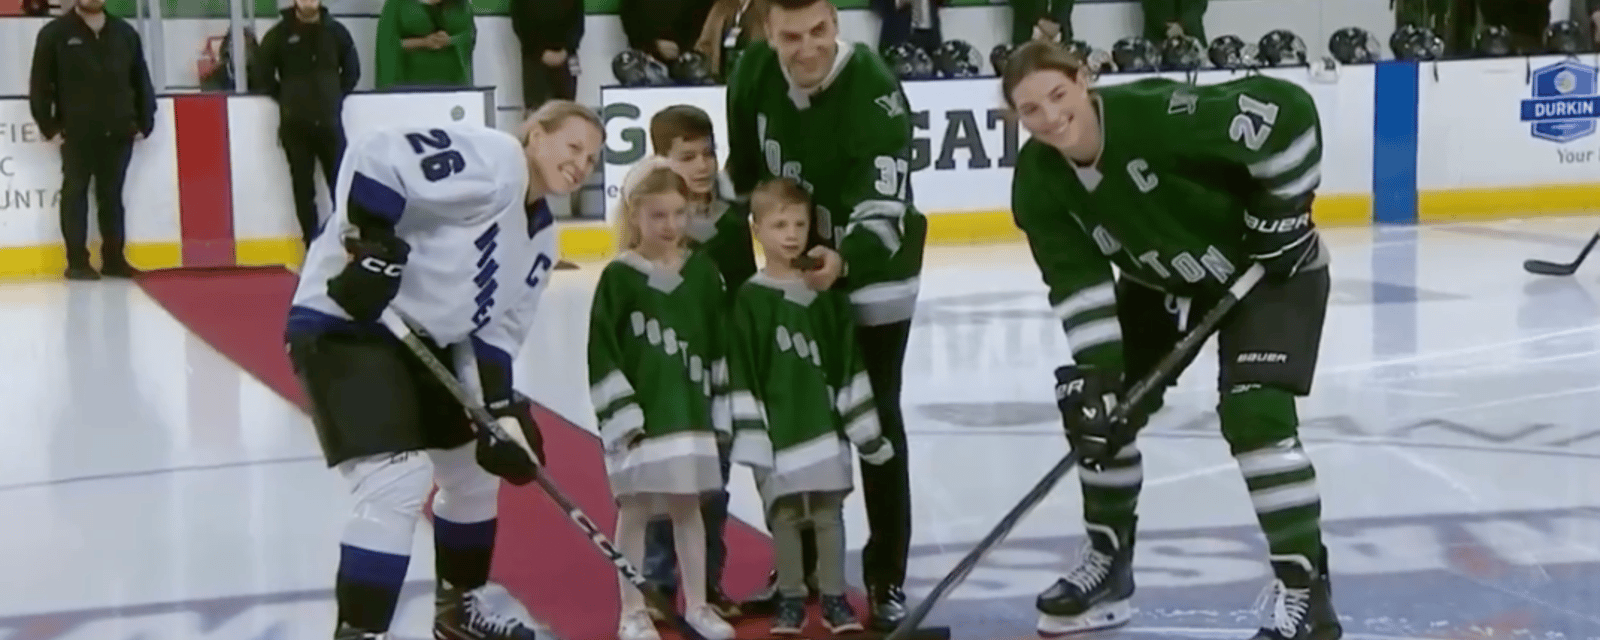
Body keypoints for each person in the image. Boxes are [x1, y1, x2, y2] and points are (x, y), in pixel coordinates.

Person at [999, 40, 1338, 640]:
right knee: (1101, 415)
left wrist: (1284, 212)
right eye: (1031, 110)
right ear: (1014, 117)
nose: (1050, 117)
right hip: (1163, 281)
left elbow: (1287, 112)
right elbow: (1078, 285)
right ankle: (1109, 565)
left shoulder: (1161, 115)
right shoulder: (1038, 182)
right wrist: (1099, 376)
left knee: (1255, 415)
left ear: (1084, 80)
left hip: (1269, 271)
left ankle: (1306, 593)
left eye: (1058, 95)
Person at [283, 99, 604, 640]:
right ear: (535, 135)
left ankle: (459, 612)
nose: (581, 164)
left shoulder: (543, 240)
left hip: (426, 343)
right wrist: (371, 242)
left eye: (592, 160)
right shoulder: (497, 160)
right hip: (346, 325)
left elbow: (495, 337)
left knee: (474, 475)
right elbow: (379, 155)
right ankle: (360, 633)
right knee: (396, 479)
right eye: (573, 146)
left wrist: (500, 413)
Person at [723, 0, 927, 628]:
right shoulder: (752, 73)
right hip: (792, 272)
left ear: (835, 24)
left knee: (876, 422)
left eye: (819, 31)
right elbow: (746, 183)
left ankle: (886, 577)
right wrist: (740, 281)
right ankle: (800, 570)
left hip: (872, 273)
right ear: (767, 33)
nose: (807, 48)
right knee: (794, 419)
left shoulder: (875, 90)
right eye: (791, 36)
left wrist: (842, 261)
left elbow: (883, 208)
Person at [726, 178, 894, 636]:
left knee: (828, 515)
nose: (791, 233)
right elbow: (743, 372)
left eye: (799, 223)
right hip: (778, 431)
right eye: (779, 224)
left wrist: (864, 432)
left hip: (825, 429)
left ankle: (835, 596)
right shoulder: (749, 300)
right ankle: (792, 597)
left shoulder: (829, 299)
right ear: (757, 229)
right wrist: (752, 434)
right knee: (783, 516)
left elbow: (848, 368)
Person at [587, 163, 738, 640]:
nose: (671, 225)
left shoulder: (703, 272)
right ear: (635, 215)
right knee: (634, 510)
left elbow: (719, 343)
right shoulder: (619, 278)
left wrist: (722, 408)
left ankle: (698, 604)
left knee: (687, 507)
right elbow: (602, 352)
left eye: (679, 213)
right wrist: (623, 414)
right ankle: (633, 609)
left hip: (690, 413)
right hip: (643, 417)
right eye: (658, 216)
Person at [637, 105, 753, 622]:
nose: (704, 165)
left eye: (708, 153)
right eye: (688, 157)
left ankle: (707, 584)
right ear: (661, 159)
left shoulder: (729, 218)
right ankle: (659, 585)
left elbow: (745, 286)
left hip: (722, 369)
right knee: (667, 484)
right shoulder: (655, 223)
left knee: (713, 482)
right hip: (669, 371)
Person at [27, 0, 156, 280]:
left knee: (112, 196)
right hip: (76, 131)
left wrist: (145, 122)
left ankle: (113, 259)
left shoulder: (125, 33)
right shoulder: (54, 33)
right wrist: (48, 126)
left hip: (119, 129)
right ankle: (77, 262)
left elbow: (141, 79)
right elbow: (39, 85)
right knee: (75, 193)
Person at [251, 0, 361, 248]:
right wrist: (288, 98)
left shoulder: (337, 32)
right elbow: (262, 75)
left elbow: (352, 71)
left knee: (341, 184)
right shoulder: (278, 35)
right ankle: (311, 243)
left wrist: (333, 97)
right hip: (295, 126)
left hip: (330, 124)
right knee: (303, 188)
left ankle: (348, 241)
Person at [374, 0, 476, 89]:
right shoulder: (398, 3)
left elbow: (469, 35)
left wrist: (449, 40)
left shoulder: (461, 4)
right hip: (410, 85)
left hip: (454, 83)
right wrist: (423, 42)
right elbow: (387, 43)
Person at [509, 0, 582, 112]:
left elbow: (578, 22)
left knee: (567, 110)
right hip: (534, 58)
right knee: (535, 110)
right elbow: (520, 22)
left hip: (566, 57)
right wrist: (540, 53)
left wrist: (565, 50)